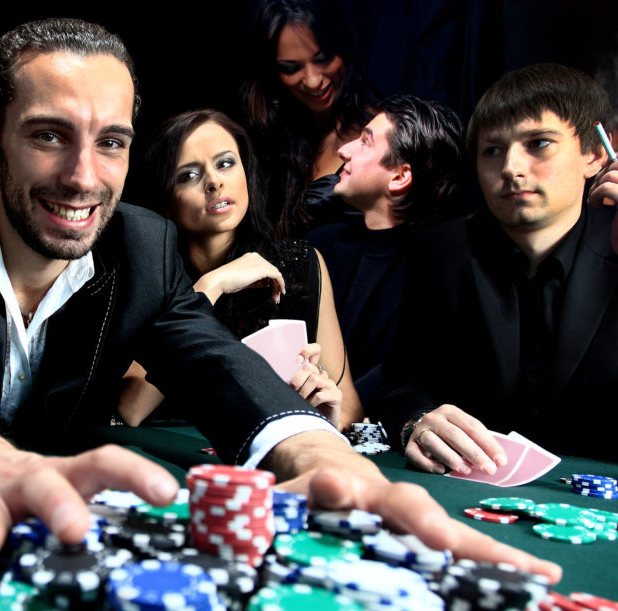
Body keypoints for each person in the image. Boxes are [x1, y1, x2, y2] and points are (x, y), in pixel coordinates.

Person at [0, 18, 560, 604]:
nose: (83, 177)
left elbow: (218, 368)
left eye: (111, 142)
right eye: (49, 135)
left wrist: (322, 457)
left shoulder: (144, 248)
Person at [377, 63, 618, 472]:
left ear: (594, 154)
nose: (510, 167)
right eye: (492, 150)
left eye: (538, 144)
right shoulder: (443, 251)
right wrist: (415, 423)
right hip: (474, 485)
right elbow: (402, 386)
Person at [118, 109, 362, 430]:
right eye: (188, 175)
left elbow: (349, 408)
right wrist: (211, 287)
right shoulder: (145, 274)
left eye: (225, 163)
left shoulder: (300, 264)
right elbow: (130, 409)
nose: (214, 182)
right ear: (166, 198)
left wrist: (322, 410)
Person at [308, 95, 465, 412]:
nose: (343, 150)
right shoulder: (318, 244)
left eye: (365, 142)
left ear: (399, 177)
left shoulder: (443, 269)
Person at [242, 0, 378, 237]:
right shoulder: (268, 136)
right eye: (291, 68)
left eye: (323, 59)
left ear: (343, 48)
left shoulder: (380, 133)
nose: (313, 81)